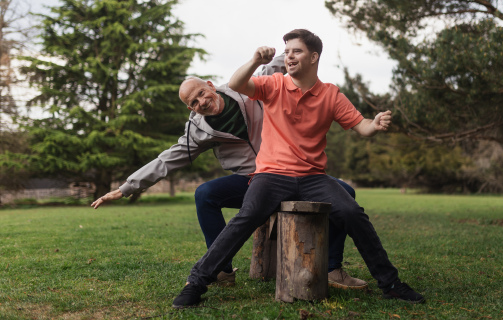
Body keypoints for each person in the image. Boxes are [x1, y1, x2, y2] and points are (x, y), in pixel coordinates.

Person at [172, 29, 425, 308]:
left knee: (352, 212)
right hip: (270, 175)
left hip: (313, 177)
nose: (289, 56)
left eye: (297, 51)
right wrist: (256, 60)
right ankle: (195, 283)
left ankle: (390, 283)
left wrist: (374, 124)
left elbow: (361, 126)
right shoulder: (274, 84)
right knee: (248, 216)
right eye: (287, 51)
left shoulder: (331, 95)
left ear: (314, 56)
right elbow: (236, 83)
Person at [90, 54, 366, 289]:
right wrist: (126, 187)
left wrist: (291, 52)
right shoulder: (199, 130)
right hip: (250, 180)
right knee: (206, 193)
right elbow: (167, 160)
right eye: (194, 102)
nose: (201, 101)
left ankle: (332, 268)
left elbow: (277, 64)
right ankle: (222, 268)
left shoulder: (246, 90)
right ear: (191, 109)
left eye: (201, 93)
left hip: (289, 171)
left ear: (210, 86)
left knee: (346, 192)